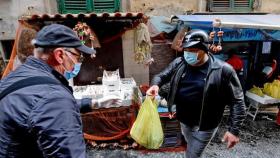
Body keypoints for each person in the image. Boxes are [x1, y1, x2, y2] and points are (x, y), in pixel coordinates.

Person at [0, 24, 121, 158]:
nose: (77, 63)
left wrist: (94, 103)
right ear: (60, 55)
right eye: (78, 57)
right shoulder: (54, 98)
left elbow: (37, 104)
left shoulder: (16, 76)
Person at [147, 29, 246, 158]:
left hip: (205, 125)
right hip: (184, 120)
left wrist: (234, 131)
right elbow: (161, 76)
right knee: (191, 146)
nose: (188, 54)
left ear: (205, 49)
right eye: (187, 50)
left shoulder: (223, 70)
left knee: (192, 155)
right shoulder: (179, 63)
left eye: (193, 51)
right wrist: (155, 85)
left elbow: (237, 101)